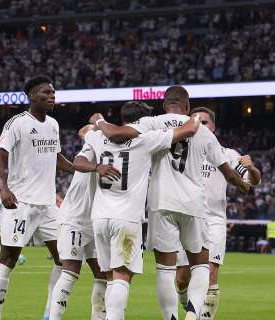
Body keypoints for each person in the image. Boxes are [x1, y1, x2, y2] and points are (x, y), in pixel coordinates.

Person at [90, 86, 250, 320]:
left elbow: (117, 134)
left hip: (160, 202)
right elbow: (227, 171)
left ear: (164, 106)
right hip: (193, 203)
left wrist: (99, 121)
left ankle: (171, 318)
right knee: (200, 264)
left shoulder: (150, 123)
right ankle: (193, 317)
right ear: (187, 106)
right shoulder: (203, 131)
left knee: (165, 269)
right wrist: (244, 186)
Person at [75, 100, 202, 320]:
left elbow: (80, 146)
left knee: (111, 278)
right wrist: (197, 115)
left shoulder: (98, 137)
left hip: (100, 217)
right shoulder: (147, 140)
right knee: (122, 277)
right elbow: (190, 129)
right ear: (142, 121)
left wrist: (98, 126)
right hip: (126, 219)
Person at [0, 76, 77, 320]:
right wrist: (2, 187)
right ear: (32, 96)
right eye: (46, 93)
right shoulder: (17, 123)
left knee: (64, 258)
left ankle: (49, 314)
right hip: (21, 202)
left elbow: (59, 160)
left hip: (48, 205)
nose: (52, 97)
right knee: (9, 258)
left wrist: (89, 168)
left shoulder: (53, 124)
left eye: (53, 93)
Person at [173, 107, 261, 320]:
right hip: (187, 219)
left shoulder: (227, 154)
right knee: (182, 280)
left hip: (214, 220)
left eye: (205, 122)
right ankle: (191, 309)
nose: (201, 126)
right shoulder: (181, 151)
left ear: (213, 126)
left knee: (211, 273)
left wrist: (251, 168)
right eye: (197, 122)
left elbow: (253, 183)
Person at [49, 124, 120, 320]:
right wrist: (98, 167)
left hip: (96, 220)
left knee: (102, 272)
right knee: (71, 270)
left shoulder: (120, 149)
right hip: (74, 218)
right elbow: (84, 133)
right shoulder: (93, 145)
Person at [0, 195, 26, 266]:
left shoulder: (2, 200)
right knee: (8, 243)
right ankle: (20, 257)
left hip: (5, 225)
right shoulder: (12, 199)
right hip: (10, 224)